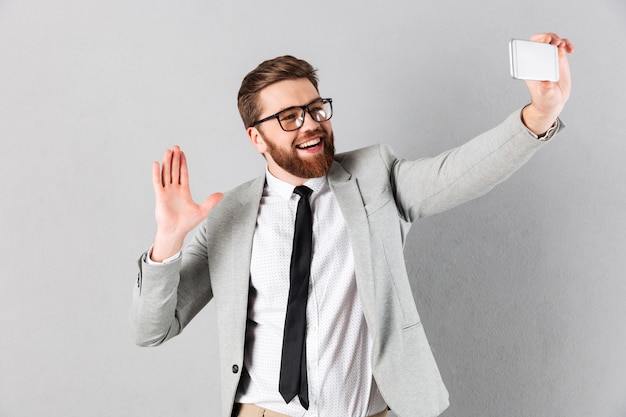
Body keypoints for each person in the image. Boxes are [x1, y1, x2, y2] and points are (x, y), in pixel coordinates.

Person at [131, 33, 574, 417]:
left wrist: (540, 114)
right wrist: (168, 239)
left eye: (316, 108)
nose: (311, 125)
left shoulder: (375, 178)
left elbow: (456, 173)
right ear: (256, 137)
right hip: (264, 412)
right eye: (289, 117)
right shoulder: (229, 214)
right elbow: (153, 330)